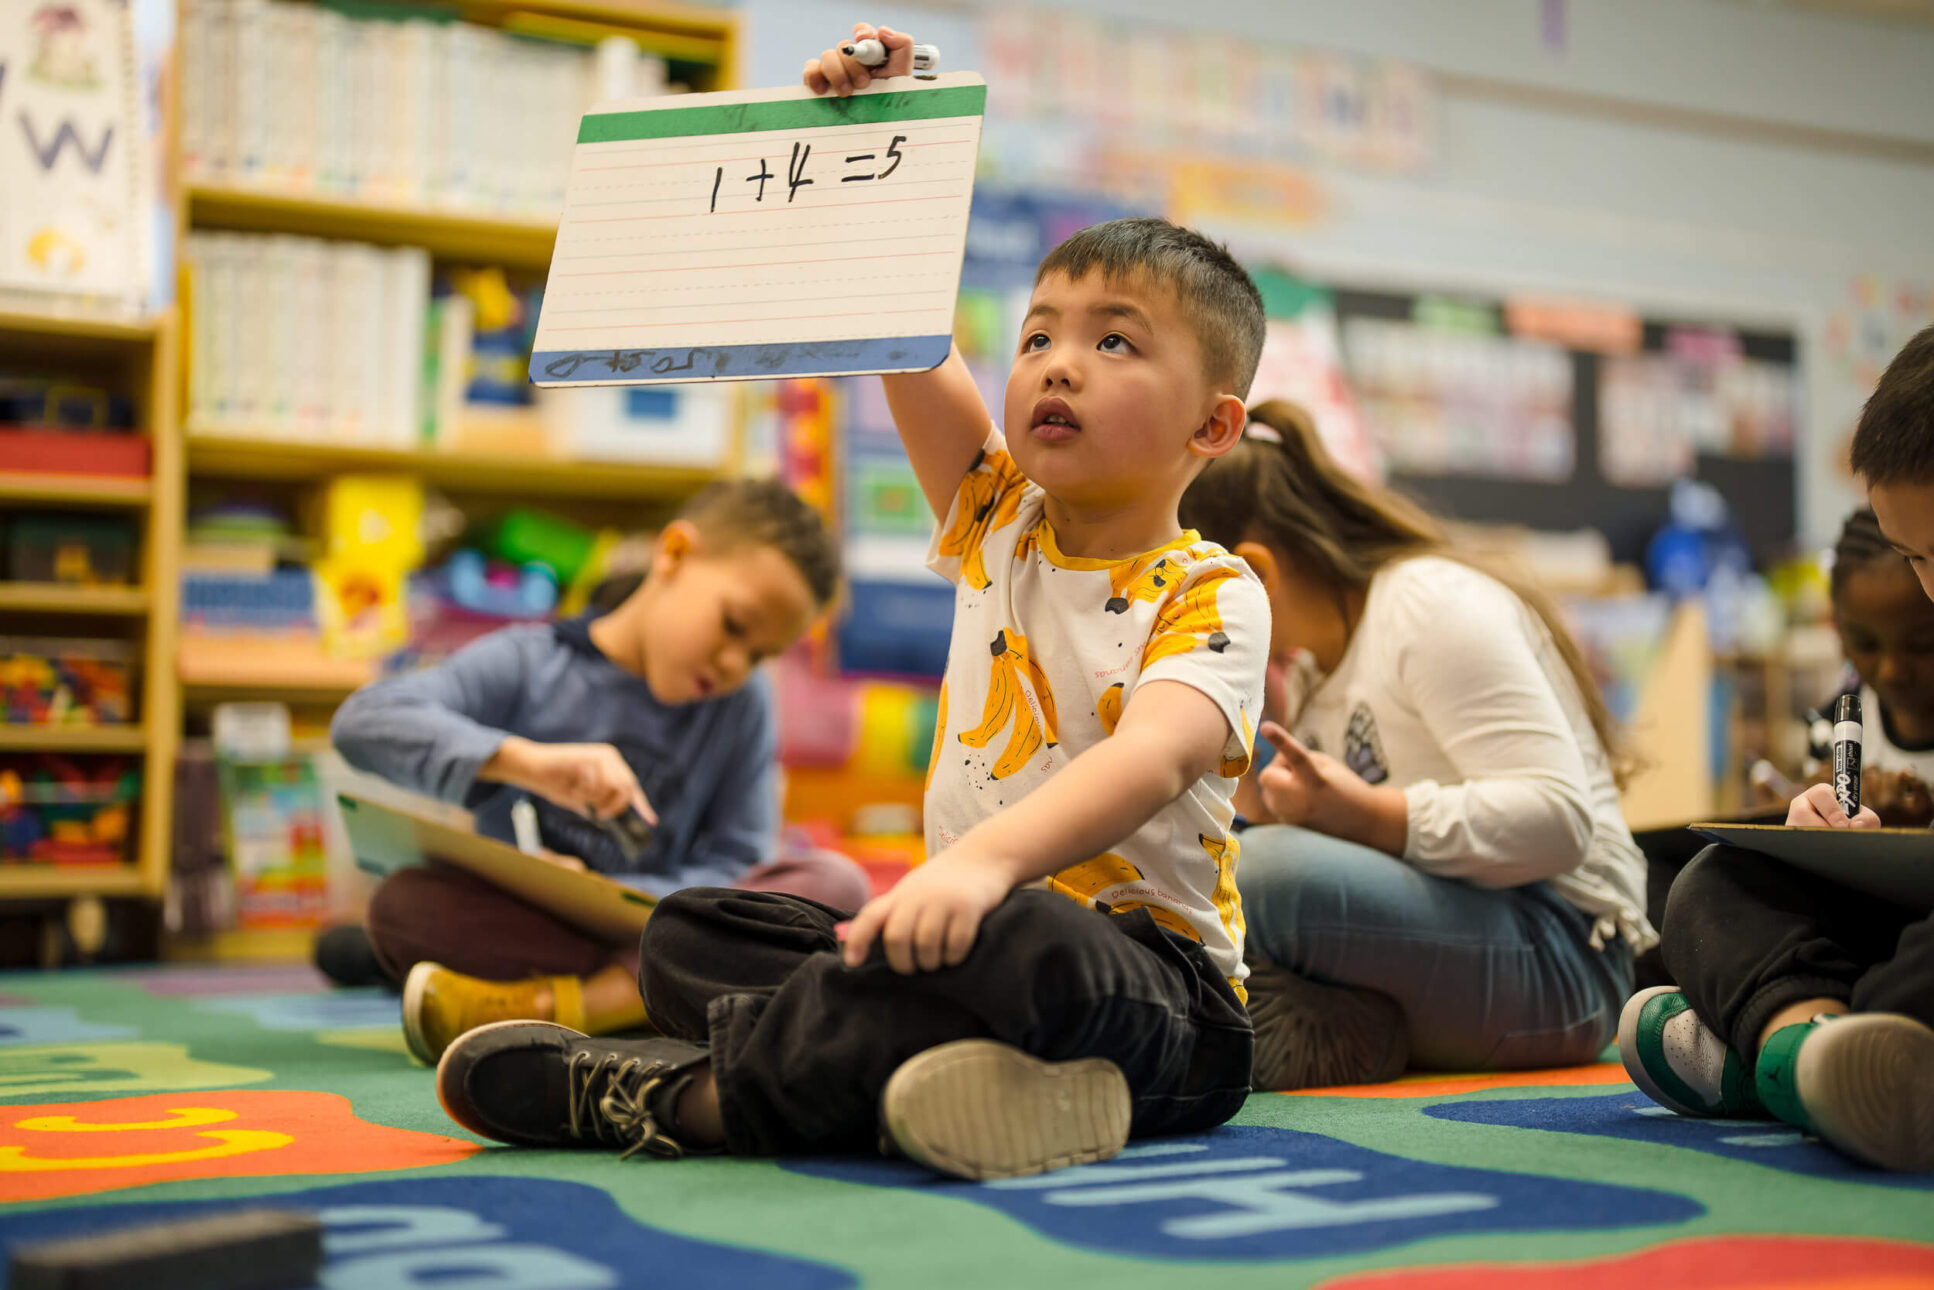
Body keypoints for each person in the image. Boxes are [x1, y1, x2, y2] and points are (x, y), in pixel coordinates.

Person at [429, 25, 1271, 1183]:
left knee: (1021, 936)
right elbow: (896, 323)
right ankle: (958, 1087)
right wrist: (883, 131)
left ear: (1210, 428)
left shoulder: (1211, 589)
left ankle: (683, 1096)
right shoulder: (998, 526)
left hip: (1157, 998)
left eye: (1112, 342)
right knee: (692, 933)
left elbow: (1149, 762)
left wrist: (978, 871)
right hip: (947, 949)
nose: (1056, 364)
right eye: (1037, 337)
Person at [1172, 399, 1651, 1090]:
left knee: (1259, 876)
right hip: (1466, 941)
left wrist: (1367, 815)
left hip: (1567, 958)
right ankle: (1316, 1028)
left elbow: (1559, 820)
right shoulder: (1310, 669)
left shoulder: (1428, 605)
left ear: (1254, 574)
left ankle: (1199, 1047)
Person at [330, 478, 867, 1063]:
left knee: (834, 887)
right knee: (402, 908)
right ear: (675, 554)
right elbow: (364, 720)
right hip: (550, 926)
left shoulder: (743, 705)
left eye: (762, 655)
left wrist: (636, 903)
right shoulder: (531, 661)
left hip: (668, 931)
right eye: (735, 626)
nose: (737, 663)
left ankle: (560, 1005)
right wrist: (525, 763)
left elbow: (740, 863)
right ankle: (648, 1000)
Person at [1620, 324, 1934, 1172]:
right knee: (1716, 883)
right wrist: (1849, 850)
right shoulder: (1847, 712)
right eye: (1916, 559)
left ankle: (1773, 1056)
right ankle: (1819, 1049)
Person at [1817, 507, 1934, 825]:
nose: (1892, 671)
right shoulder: (1827, 731)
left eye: (1923, 644)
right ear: (1837, 631)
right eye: (1866, 644)